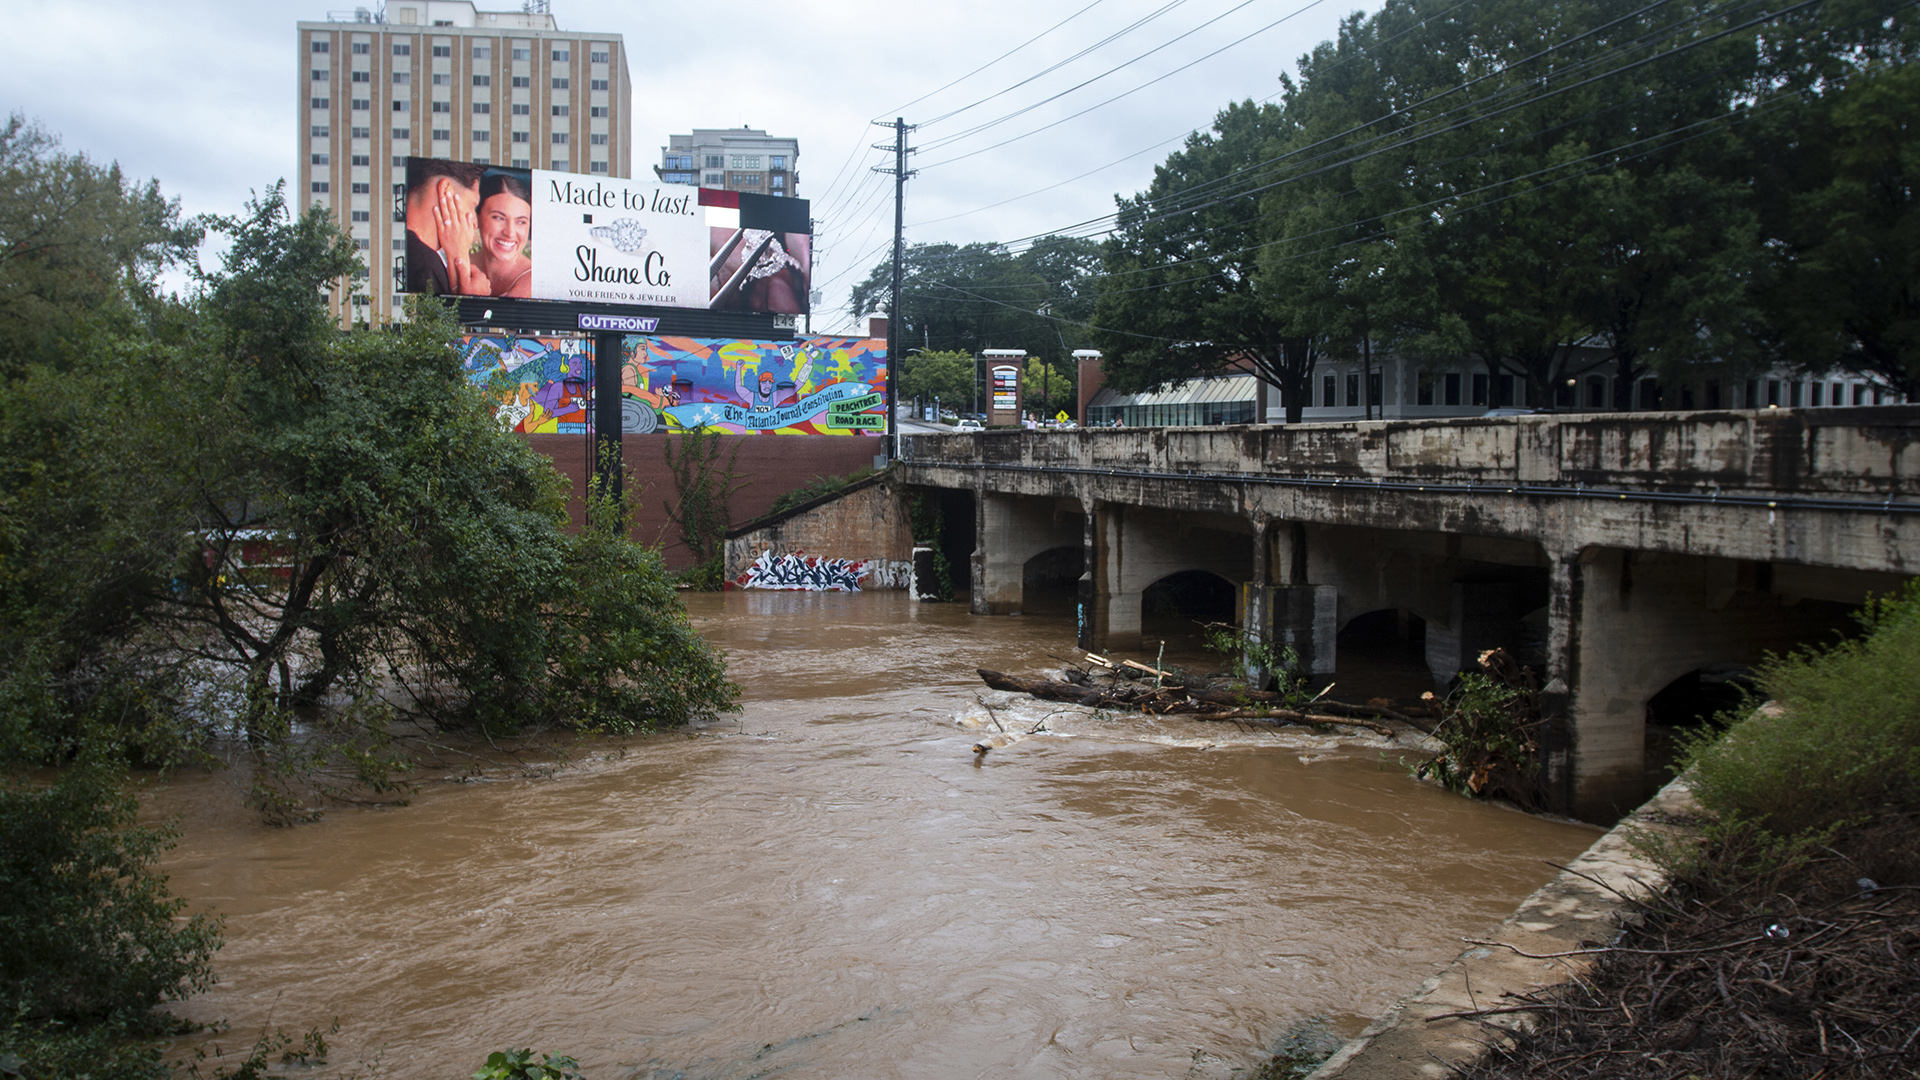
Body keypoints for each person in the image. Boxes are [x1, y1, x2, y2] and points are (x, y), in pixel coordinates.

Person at [403, 159, 486, 295]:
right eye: (473, 205)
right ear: (446, 190)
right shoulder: (425, 267)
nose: (475, 224)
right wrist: (475, 300)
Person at [471, 172, 533, 297]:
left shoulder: (537, 282)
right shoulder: (457, 267)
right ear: (477, 218)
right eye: (498, 218)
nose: (509, 233)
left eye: (521, 222)